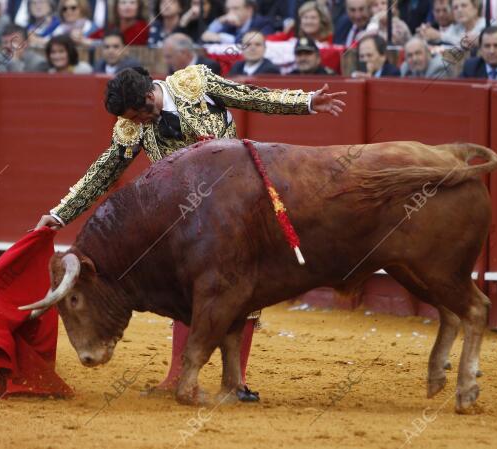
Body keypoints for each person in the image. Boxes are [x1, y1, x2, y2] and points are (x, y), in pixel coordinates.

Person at [33, 64, 346, 400]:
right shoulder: (130, 126)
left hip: (233, 206)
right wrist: (60, 213)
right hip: (184, 221)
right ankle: (177, 376)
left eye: (140, 114)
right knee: (183, 290)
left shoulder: (195, 83)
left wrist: (306, 101)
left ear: (150, 94)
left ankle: (236, 382)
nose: (138, 123)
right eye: (132, 119)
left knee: (243, 288)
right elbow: (104, 172)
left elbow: (251, 97)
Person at [419, 0, 487, 46]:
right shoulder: (456, 27)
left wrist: (440, 35)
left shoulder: (486, 25)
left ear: (475, 8)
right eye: (455, 7)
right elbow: (442, 39)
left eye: (464, 5)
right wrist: (426, 33)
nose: (459, 10)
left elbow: (465, 44)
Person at [202, 0, 273, 43]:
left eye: (235, 8)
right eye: (228, 10)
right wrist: (218, 22)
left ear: (249, 10)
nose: (230, 13)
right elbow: (204, 38)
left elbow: (253, 43)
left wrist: (222, 38)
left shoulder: (264, 23)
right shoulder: (228, 24)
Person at [267, 1, 334, 43]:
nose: (308, 21)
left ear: (322, 20)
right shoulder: (292, 33)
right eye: (305, 17)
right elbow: (268, 40)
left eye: (313, 18)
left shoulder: (330, 38)